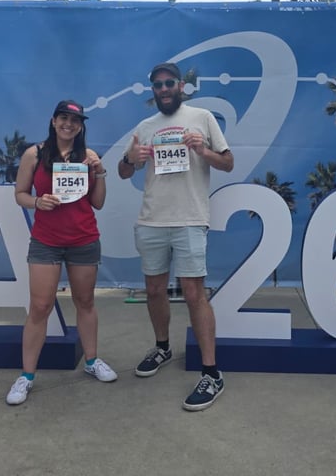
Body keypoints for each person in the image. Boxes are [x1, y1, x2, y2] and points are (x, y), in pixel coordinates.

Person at [117, 62, 234, 411]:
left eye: (170, 83)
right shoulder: (145, 126)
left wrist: (203, 151)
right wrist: (130, 157)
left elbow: (227, 163)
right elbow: (124, 172)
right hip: (152, 219)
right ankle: (163, 347)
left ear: (181, 86)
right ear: (152, 90)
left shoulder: (202, 117)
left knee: (194, 292)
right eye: (158, 85)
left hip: (189, 218)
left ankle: (212, 373)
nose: (164, 89)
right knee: (154, 289)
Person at [6, 99, 116, 406]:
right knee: (40, 306)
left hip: (83, 239)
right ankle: (26, 376)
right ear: (54, 121)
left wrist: (101, 173)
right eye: (63, 118)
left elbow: (98, 202)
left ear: (81, 126)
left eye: (75, 120)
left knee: (85, 301)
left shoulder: (88, 156)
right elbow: (20, 194)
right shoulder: (35, 153)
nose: (69, 124)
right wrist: (37, 202)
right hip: (46, 240)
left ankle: (92, 361)